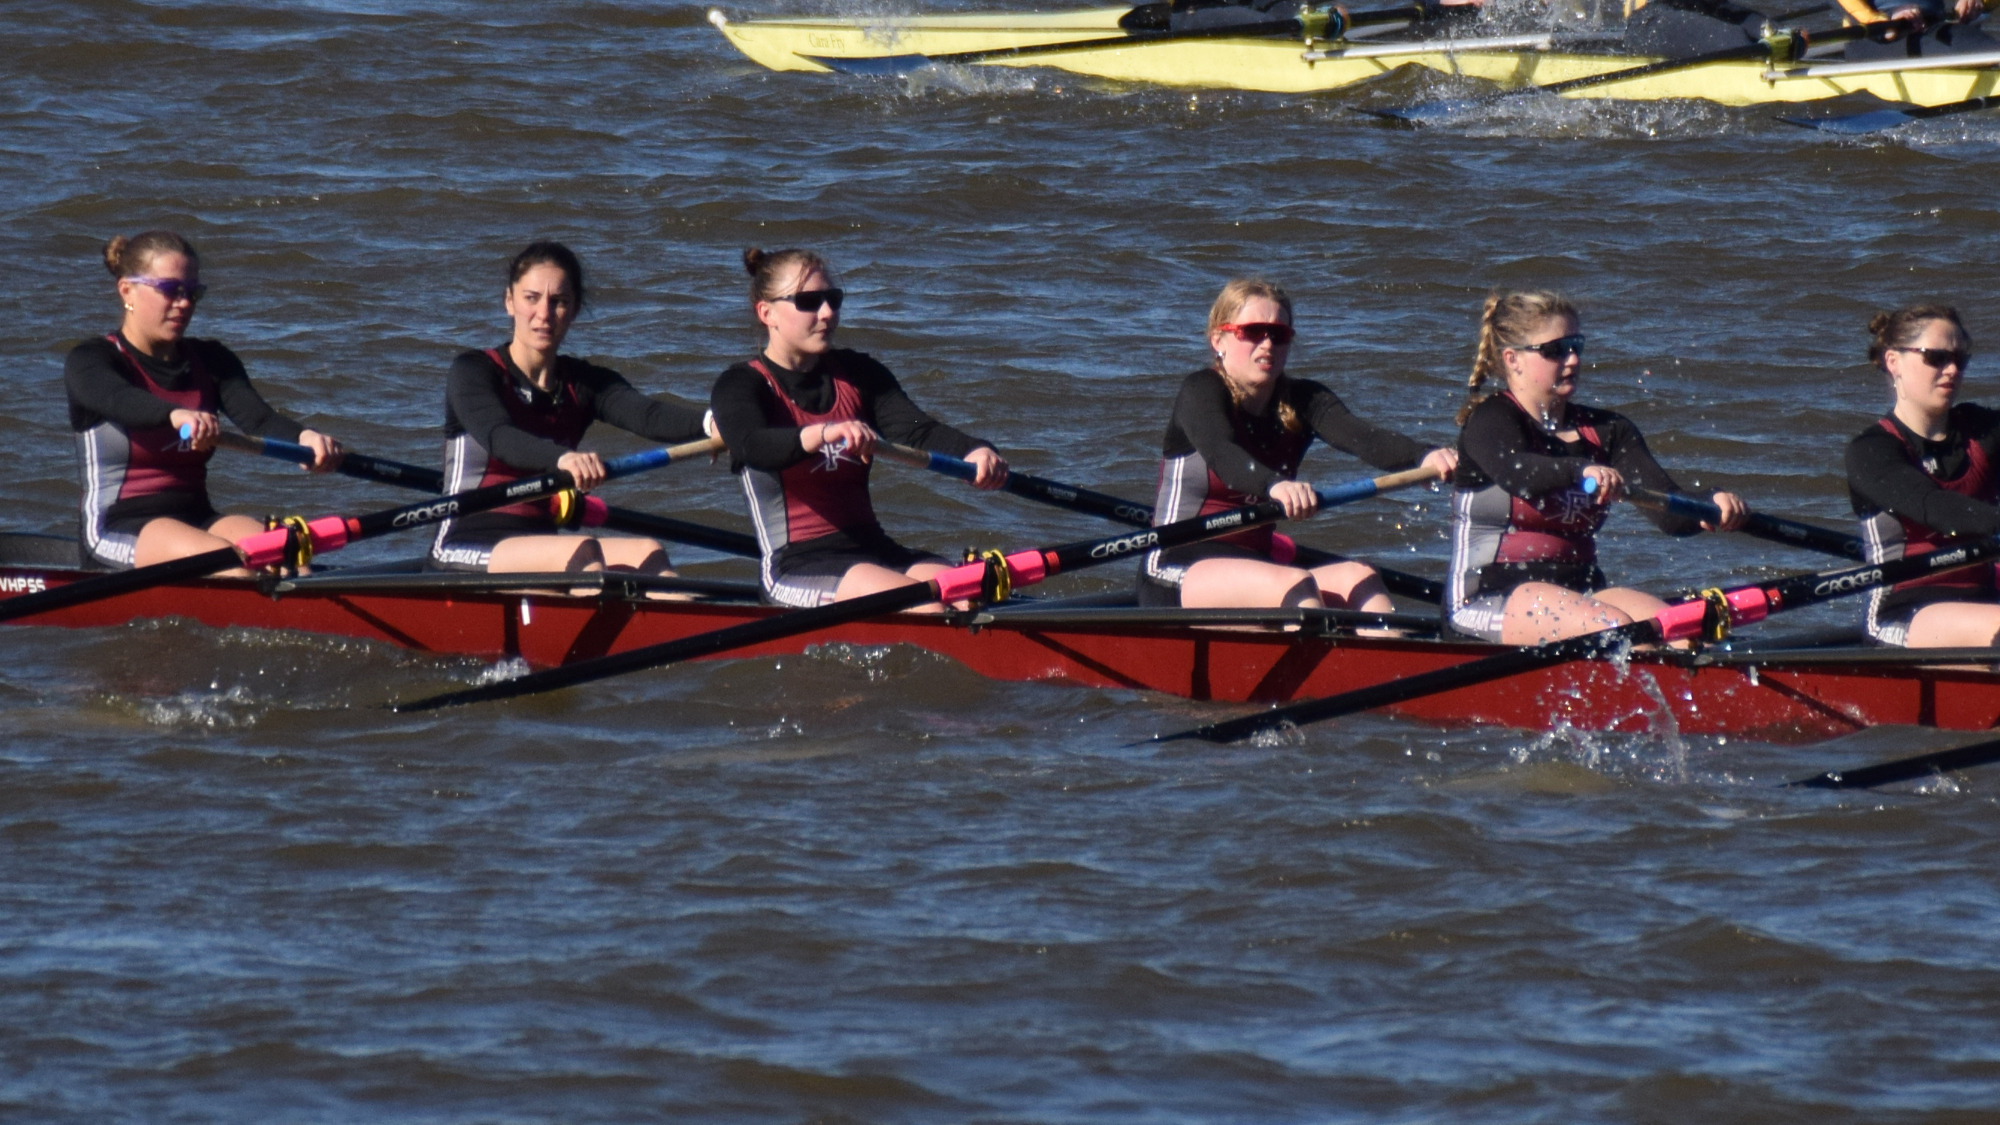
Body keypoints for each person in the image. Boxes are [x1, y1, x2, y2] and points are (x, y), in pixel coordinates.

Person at [711, 247, 1008, 609]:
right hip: (796, 566)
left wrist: (974, 451)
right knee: (928, 607)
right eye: (808, 302)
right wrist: (821, 434)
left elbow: (917, 431)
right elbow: (750, 445)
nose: (827, 313)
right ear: (766, 312)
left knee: (969, 596)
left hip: (873, 549)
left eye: (833, 299)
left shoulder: (858, 373)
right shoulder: (740, 385)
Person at [1136, 278, 1458, 612]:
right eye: (1253, 332)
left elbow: (1366, 438)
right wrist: (1274, 485)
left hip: (1258, 564)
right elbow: (1223, 453)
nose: (1267, 345)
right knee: (1295, 587)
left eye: (1279, 335)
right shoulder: (1201, 391)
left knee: (1360, 579)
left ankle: (1392, 662)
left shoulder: (1304, 400)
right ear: (1219, 338)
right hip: (1175, 566)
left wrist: (1425, 455)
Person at [1447, 291, 1747, 646]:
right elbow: (1519, 474)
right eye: (1555, 350)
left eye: (1576, 345)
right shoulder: (1490, 421)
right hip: (1488, 600)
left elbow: (1669, 514)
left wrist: (1711, 503)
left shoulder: (1609, 431)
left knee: (1683, 636)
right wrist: (1580, 470)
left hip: (1583, 593)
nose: (1572, 360)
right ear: (1513, 360)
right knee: (1623, 632)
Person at [432, 241, 714, 582]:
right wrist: (563, 459)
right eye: (531, 298)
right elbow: (499, 437)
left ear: (575, 309)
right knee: (584, 552)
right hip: (465, 545)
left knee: (648, 553)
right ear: (510, 301)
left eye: (559, 302)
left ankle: (686, 624)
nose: (544, 314)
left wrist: (712, 423)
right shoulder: (474, 371)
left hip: (542, 545)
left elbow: (649, 415)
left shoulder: (582, 383)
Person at [65, 230, 342, 574]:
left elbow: (259, 421)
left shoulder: (211, 359)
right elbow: (119, 400)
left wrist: (306, 438)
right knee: (234, 568)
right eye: (169, 290)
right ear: (127, 290)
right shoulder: (93, 361)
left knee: (289, 564)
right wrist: (176, 415)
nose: (183, 303)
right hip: (117, 528)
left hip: (198, 518)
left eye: (192, 293)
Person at [1844, 304, 1999, 647]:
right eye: (1936, 357)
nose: (1952, 369)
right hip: (1905, 616)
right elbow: (1933, 506)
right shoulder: (1871, 450)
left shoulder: (1983, 431)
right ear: (1893, 361)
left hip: (1986, 601)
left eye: (1961, 358)